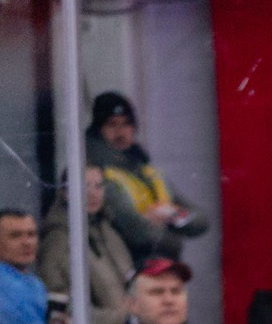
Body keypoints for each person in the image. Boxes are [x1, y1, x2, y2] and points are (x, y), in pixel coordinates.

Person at [83, 91, 207, 265]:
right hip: (128, 265)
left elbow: (201, 220)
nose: (121, 132)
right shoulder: (97, 173)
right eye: (112, 125)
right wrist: (172, 227)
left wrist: (171, 215)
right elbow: (139, 232)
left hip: (160, 264)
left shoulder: (145, 169)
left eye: (127, 124)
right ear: (99, 130)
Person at [37, 166, 131, 324]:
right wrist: (120, 319)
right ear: (66, 193)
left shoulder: (107, 230)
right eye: (84, 186)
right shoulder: (58, 239)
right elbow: (61, 304)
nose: (93, 194)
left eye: (98, 186)